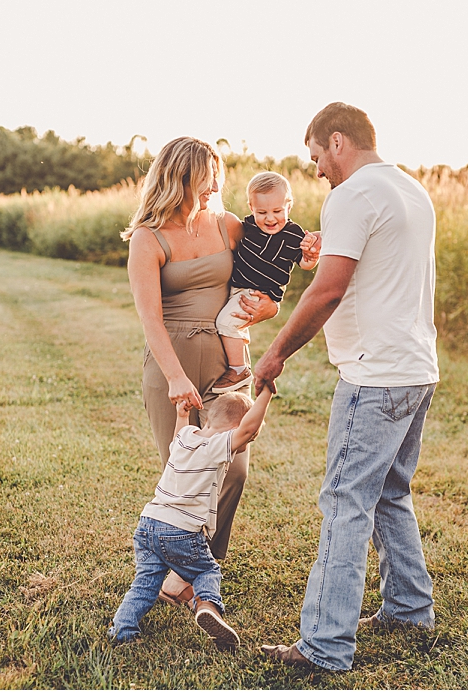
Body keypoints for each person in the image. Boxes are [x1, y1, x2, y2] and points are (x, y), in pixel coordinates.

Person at [253, 103, 441, 671]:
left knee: (344, 502)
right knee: (389, 491)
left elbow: (328, 291)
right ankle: (408, 609)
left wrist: (275, 353)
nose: (316, 170)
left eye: (316, 156)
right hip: (416, 367)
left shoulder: (352, 194)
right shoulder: (410, 189)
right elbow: (369, 274)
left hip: (374, 376)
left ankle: (324, 645)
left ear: (337, 141)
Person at [121, 136, 279, 607]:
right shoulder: (148, 238)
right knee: (185, 473)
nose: (215, 187)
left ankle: (186, 573)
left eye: (217, 178)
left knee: (235, 468)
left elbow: (266, 281)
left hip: (227, 367)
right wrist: (175, 377)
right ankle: (184, 576)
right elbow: (150, 319)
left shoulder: (228, 226)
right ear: (181, 178)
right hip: (172, 365)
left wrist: (267, 309)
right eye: (207, 179)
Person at [108, 388, 274, 648]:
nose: (246, 443)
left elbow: (177, 437)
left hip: (149, 523)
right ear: (234, 430)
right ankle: (207, 605)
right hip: (181, 530)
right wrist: (267, 392)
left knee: (145, 584)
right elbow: (247, 428)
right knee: (207, 570)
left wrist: (182, 415)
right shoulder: (215, 446)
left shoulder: (186, 437)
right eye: (249, 439)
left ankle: (123, 630)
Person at [211, 171, 321, 394]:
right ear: (251, 208)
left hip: (258, 292)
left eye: (277, 211)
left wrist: (311, 256)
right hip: (237, 287)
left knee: (225, 323)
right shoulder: (249, 226)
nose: (270, 219)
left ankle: (238, 370)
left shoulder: (293, 235)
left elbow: (304, 264)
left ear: (288, 206)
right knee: (235, 327)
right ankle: (237, 365)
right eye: (262, 212)